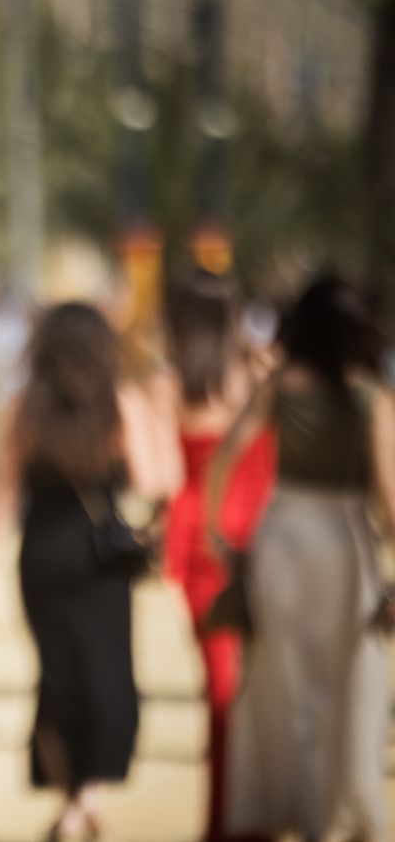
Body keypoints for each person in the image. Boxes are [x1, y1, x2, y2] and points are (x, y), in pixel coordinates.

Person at [0, 302, 176, 842]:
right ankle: (91, 796)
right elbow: (156, 480)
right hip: (100, 559)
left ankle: (69, 801)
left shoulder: (22, 409)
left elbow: (4, 493)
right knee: (108, 675)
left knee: (56, 678)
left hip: (42, 556)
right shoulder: (120, 404)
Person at [210, 276, 395, 842]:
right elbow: (389, 497)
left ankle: (294, 806)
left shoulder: (279, 386)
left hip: (282, 537)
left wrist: (218, 534)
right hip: (345, 544)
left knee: (284, 682)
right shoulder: (370, 398)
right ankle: (333, 816)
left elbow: (225, 455)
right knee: (346, 684)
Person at [155, 273, 274, 842]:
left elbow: (165, 480)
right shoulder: (257, 376)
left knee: (223, 692)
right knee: (256, 691)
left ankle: (228, 821)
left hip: (202, 544)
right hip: (259, 540)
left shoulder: (169, 383)